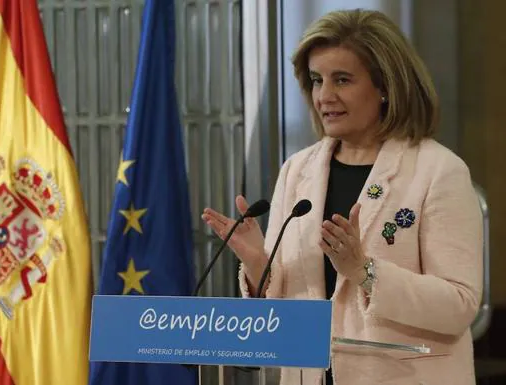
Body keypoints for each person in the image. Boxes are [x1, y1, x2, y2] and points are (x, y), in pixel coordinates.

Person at [202, 8, 483, 385]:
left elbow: (460, 305)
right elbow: (285, 310)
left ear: (386, 86)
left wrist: (364, 271)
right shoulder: (297, 170)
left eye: (343, 80)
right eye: (317, 81)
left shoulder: (439, 171)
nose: (325, 96)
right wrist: (258, 265)